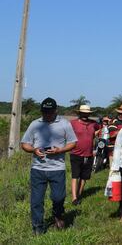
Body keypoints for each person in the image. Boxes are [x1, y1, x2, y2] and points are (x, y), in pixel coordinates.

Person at [20, 98, 77, 235]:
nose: (47, 115)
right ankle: (37, 228)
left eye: (50, 112)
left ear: (56, 111)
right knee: (36, 201)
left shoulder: (64, 124)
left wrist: (60, 150)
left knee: (58, 197)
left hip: (57, 168)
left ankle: (58, 214)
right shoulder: (35, 124)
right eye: (45, 112)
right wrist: (34, 150)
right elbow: (24, 144)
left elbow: (72, 142)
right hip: (38, 169)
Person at [69, 104, 100, 205]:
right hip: (75, 153)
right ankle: (74, 198)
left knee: (84, 177)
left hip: (89, 154)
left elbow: (99, 129)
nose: (84, 115)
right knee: (75, 176)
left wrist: (93, 136)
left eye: (86, 113)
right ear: (79, 113)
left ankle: (79, 194)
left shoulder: (93, 123)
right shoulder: (73, 123)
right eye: (83, 113)